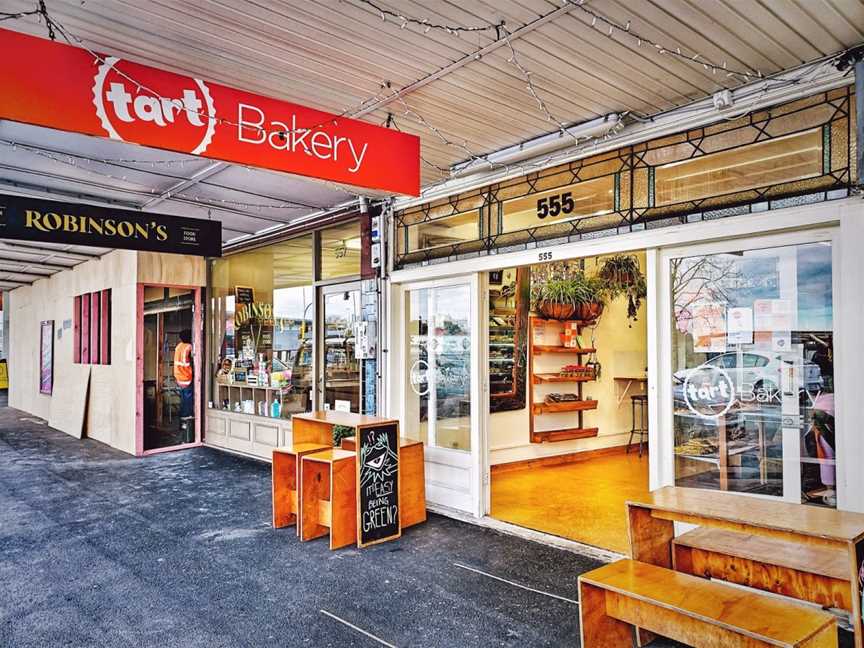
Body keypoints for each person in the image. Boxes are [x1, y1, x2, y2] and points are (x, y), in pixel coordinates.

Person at [173, 329, 194, 420]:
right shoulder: (189, 347)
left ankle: (182, 416)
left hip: (178, 377)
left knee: (183, 398)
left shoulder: (179, 346)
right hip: (186, 377)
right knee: (188, 399)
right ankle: (187, 416)